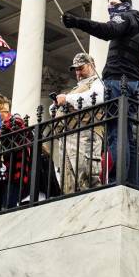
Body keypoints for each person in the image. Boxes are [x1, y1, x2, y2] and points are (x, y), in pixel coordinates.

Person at [62, 0, 139, 185]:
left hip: (117, 81)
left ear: (125, 4)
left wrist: (77, 22)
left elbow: (107, 30)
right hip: (133, 83)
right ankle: (136, 182)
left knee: (116, 133)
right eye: (108, 4)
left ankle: (118, 180)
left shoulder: (125, 16)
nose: (110, 7)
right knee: (129, 136)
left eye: (114, 3)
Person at [54, 53, 106, 193]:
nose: (78, 72)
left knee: (87, 179)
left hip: (85, 133)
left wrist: (68, 99)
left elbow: (97, 98)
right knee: (68, 184)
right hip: (67, 135)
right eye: (76, 69)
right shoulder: (75, 89)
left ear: (92, 66)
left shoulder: (98, 82)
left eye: (81, 68)